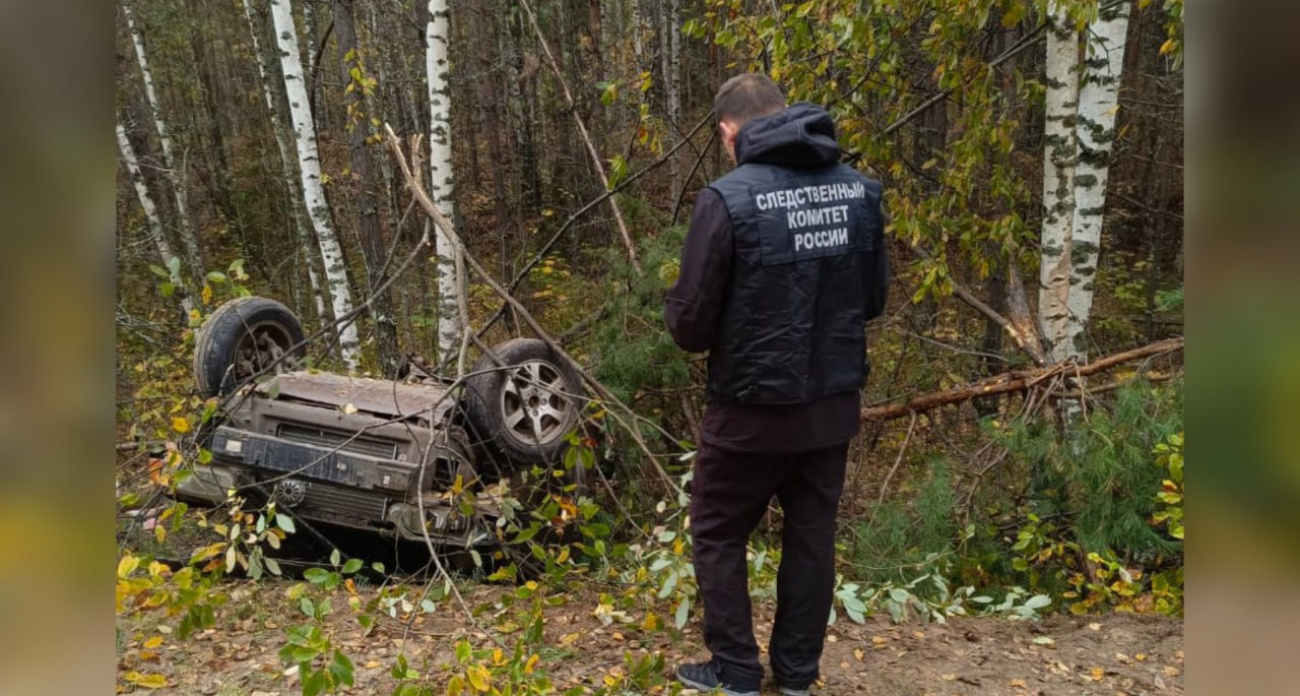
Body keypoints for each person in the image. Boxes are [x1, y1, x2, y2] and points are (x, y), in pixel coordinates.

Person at [664, 74, 890, 696]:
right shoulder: (860, 194)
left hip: (748, 413)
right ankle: (795, 677)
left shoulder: (726, 199)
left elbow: (689, 325)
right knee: (811, 537)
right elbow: (871, 300)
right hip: (830, 409)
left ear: (728, 132)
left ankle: (736, 672)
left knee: (717, 531)